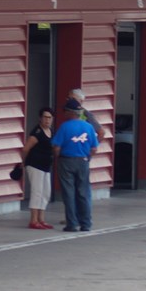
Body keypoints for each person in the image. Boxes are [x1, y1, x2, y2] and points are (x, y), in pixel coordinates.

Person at [51, 99, 98, 232]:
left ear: (70, 112)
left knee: (69, 193)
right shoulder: (88, 127)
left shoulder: (64, 127)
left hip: (66, 161)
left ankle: (72, 224)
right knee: (83, 193)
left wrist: (57, 157)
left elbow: (56, 147)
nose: (64, 113)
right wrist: (87, 158)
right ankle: (86, 223)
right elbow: (94, 148)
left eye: (65, 111)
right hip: (83, 161)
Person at [20, 107, 55, 229]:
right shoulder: (37, 133)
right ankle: (33, 220)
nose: (47, 120)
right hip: (35, 165)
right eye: (45, 117)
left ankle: (41, 219)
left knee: (46, 192)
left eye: (49, 118)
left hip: (46, 166)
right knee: (37, 191)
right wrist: (22, 162)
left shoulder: (51, 131)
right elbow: (26, 149)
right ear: (40, 118)